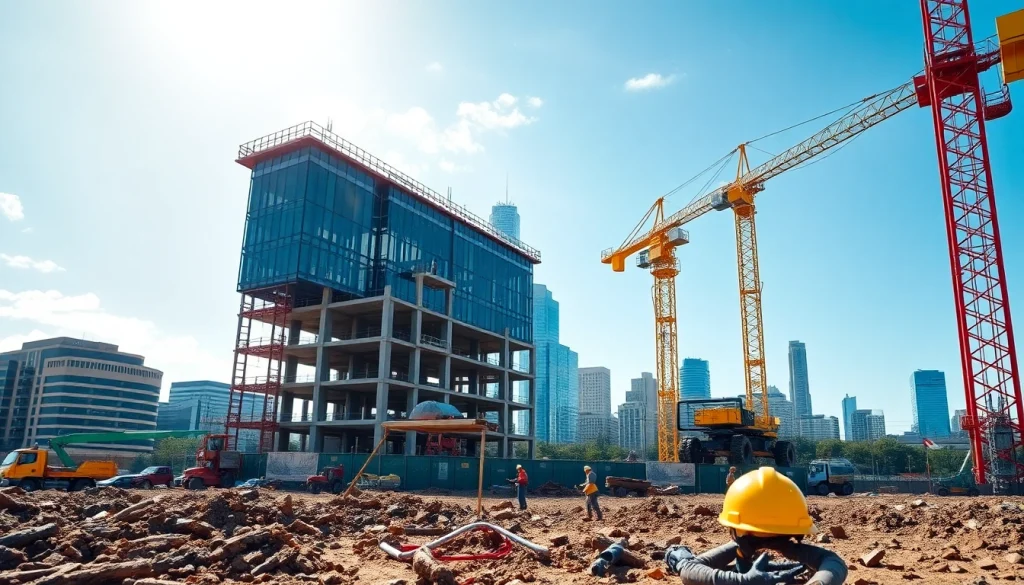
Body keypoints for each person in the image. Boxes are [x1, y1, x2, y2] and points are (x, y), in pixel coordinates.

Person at [665, 467, 847, 585]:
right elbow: (834, 563)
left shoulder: (739, 542)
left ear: (735, 528)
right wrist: (791, 549)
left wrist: (740, 580)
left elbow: (689, 570)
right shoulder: (746, 544)